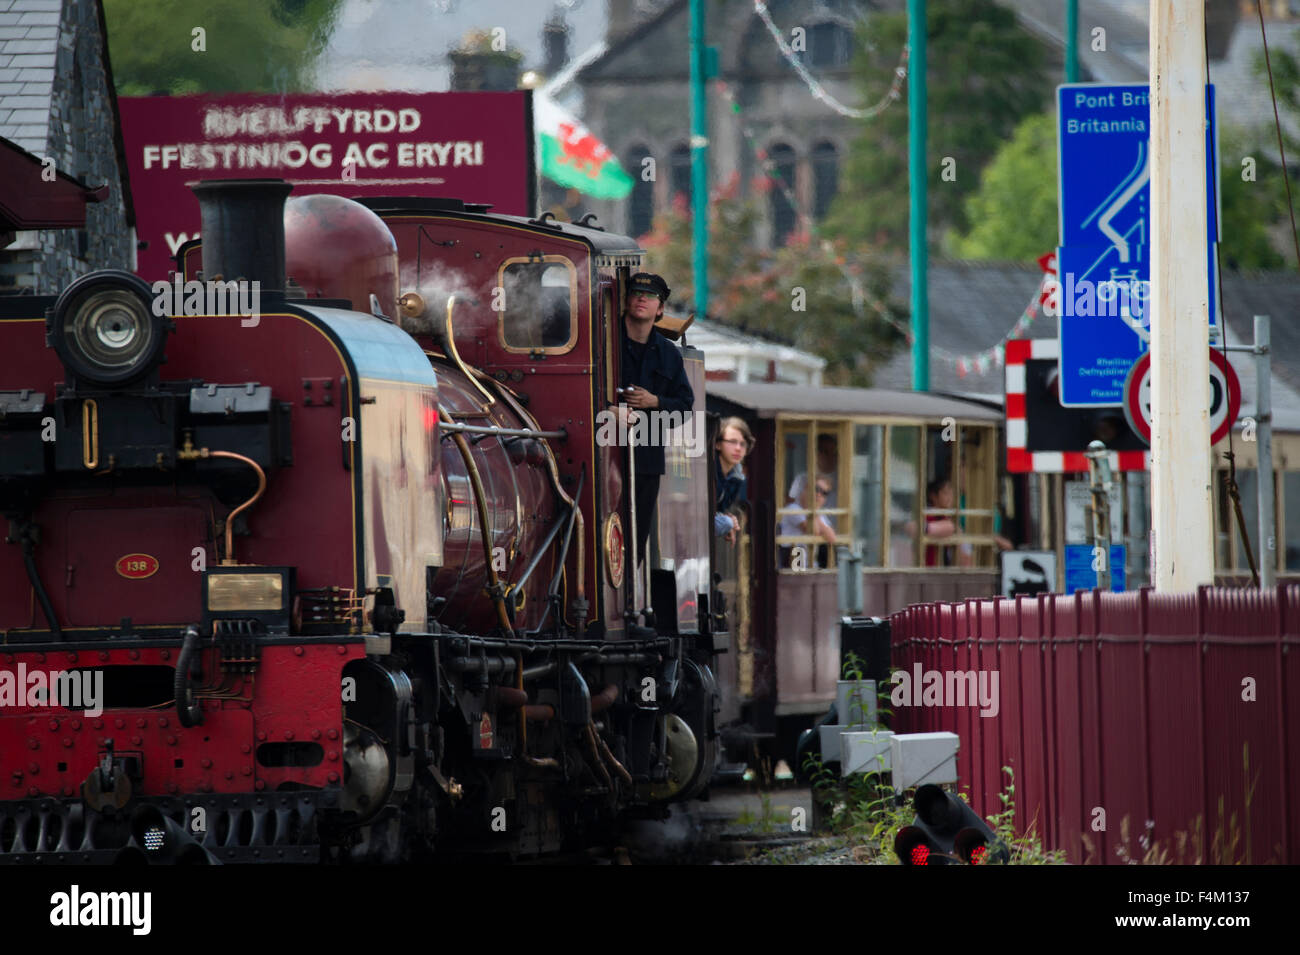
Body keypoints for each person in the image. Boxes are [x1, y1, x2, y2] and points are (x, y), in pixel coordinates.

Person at [618, 271, 694, 563]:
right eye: (636, 293)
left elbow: (685, 406)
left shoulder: (668, 355)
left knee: (635, 542)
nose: (641, 299)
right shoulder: (602, 342)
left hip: (646, 459)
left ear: (660, 309)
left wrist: (654, 401)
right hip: (604, 452)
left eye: (650, 296)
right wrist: (611, 410)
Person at [714, 416, 754, 544]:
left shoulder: (737, 477)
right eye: (732, 442)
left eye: (743, 444)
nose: (738, 448)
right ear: (718, 444)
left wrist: (726, 519)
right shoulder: (709, 469)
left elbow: (718, 510)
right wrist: (728, 522)